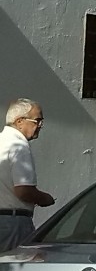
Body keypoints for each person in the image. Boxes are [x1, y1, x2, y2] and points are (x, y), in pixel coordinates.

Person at [0, 99, 55, 251]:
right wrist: (46, 199)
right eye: (37, 121)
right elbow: (24, 191)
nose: (40, 126)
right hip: (12, 222)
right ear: (19, 121)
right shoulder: (18, 145)